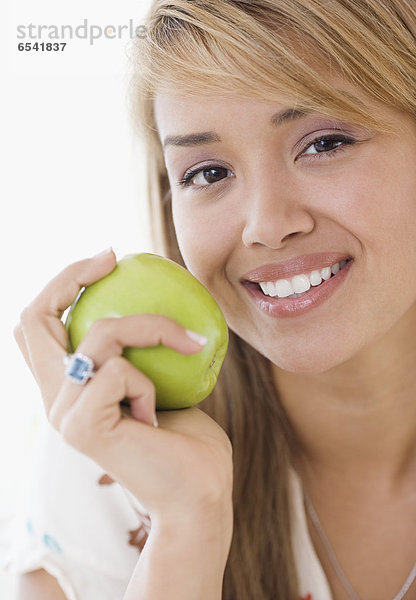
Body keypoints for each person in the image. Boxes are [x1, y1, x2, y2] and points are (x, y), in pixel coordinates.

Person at [7, 0, 416, 598]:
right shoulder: (112, 458)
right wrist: (185, 526)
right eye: (207, 173)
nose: (266, 225)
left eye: (324, 143)